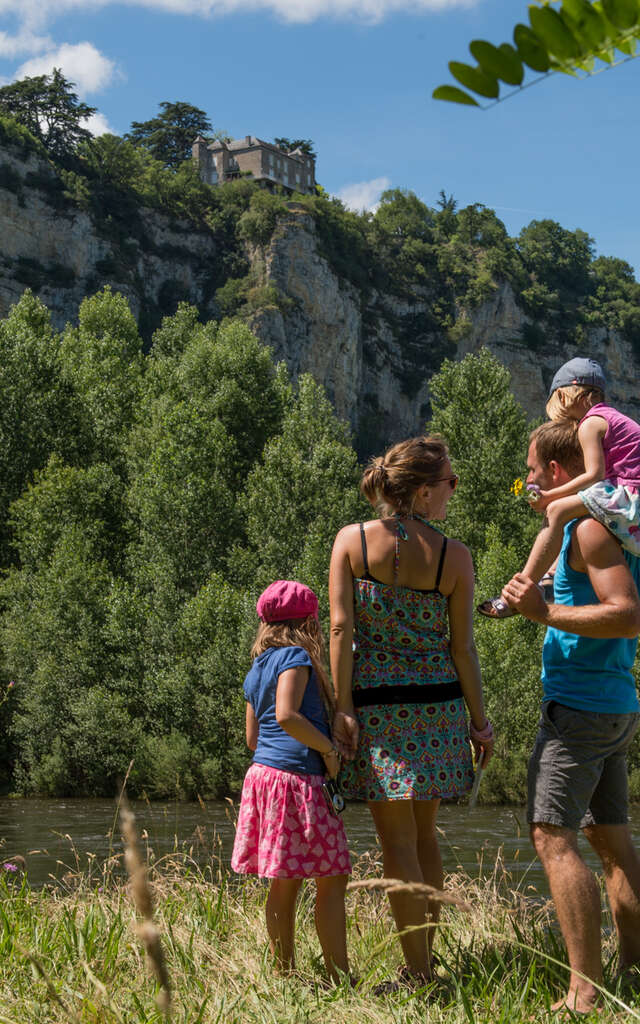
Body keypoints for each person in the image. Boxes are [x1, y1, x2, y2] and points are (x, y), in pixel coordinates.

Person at [329, 436, 494, 990]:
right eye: (450, 482)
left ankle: (418, 973)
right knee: (425, 837)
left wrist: (341, 706)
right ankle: (426, 965)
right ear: (423, 492)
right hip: (439, 709)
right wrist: (480, 721)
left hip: (379, 711)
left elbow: (339, 628)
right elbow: (461, 649)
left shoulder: (351, 542)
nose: (453, 491)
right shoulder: (455, 556)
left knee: (397, 844)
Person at [500, 419, 640, 1014]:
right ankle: (632, 970)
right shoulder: (580, 532)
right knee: (608, 841)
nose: (528, 481)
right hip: (609, 708)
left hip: (581, 711)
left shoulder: (587, 532)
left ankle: (584, 992)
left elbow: (628, 616)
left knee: (550, 836)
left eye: (532, 471)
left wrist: (545, 612)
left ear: (558, 472)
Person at [231, 580, 352, 983]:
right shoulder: (296, 658)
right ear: (308, 623)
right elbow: (286, 715)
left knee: (285, 883)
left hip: (264, 777)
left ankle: (284, 974)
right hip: (298, 780)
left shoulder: (256, 669)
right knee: (332, 877)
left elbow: (253, 739)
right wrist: (329, 752)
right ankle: (338, 976)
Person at [479, 356, 640, 619]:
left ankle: (520, 590)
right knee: (571, 517)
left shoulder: (590, 423)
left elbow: (593, 475)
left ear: (567, 397)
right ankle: (549, 580)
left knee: (555, 512)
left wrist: (549, 497)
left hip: (630, 495)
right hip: (631, 497)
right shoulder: (612, 418)